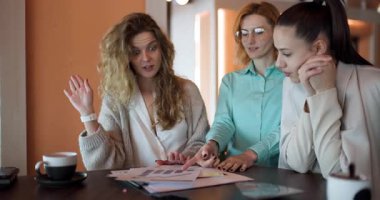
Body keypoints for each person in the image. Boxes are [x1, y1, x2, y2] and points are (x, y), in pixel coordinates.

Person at [64, 13, 209, 170]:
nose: (146, 58)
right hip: (134, 192)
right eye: (136, 52)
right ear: (125, 57)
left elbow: (200, 141)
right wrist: (87, 115)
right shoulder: (115, 99)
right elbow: (103, 165)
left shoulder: (188, 91)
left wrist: (185, 158)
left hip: (186, 187)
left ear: (163, 49)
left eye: (152, 48)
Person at [274, 0, 380, 190]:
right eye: (277, 52)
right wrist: (311, 98)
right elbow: (296, 162)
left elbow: (337, 172)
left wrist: (324, 93)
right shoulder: (291, 84)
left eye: (286, 53)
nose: (278, 63)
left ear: (318, 48)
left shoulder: (372, 83)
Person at [183, 2, 283, 172]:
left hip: (281, 170)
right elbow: (224, 122)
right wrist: (212, 144)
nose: (250, 40)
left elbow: (289, 128)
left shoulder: (292, 79)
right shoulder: (231, 81)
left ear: (277, 32)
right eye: (244, 33)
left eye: (258, 32)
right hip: (236, 170)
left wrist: (251, 154)